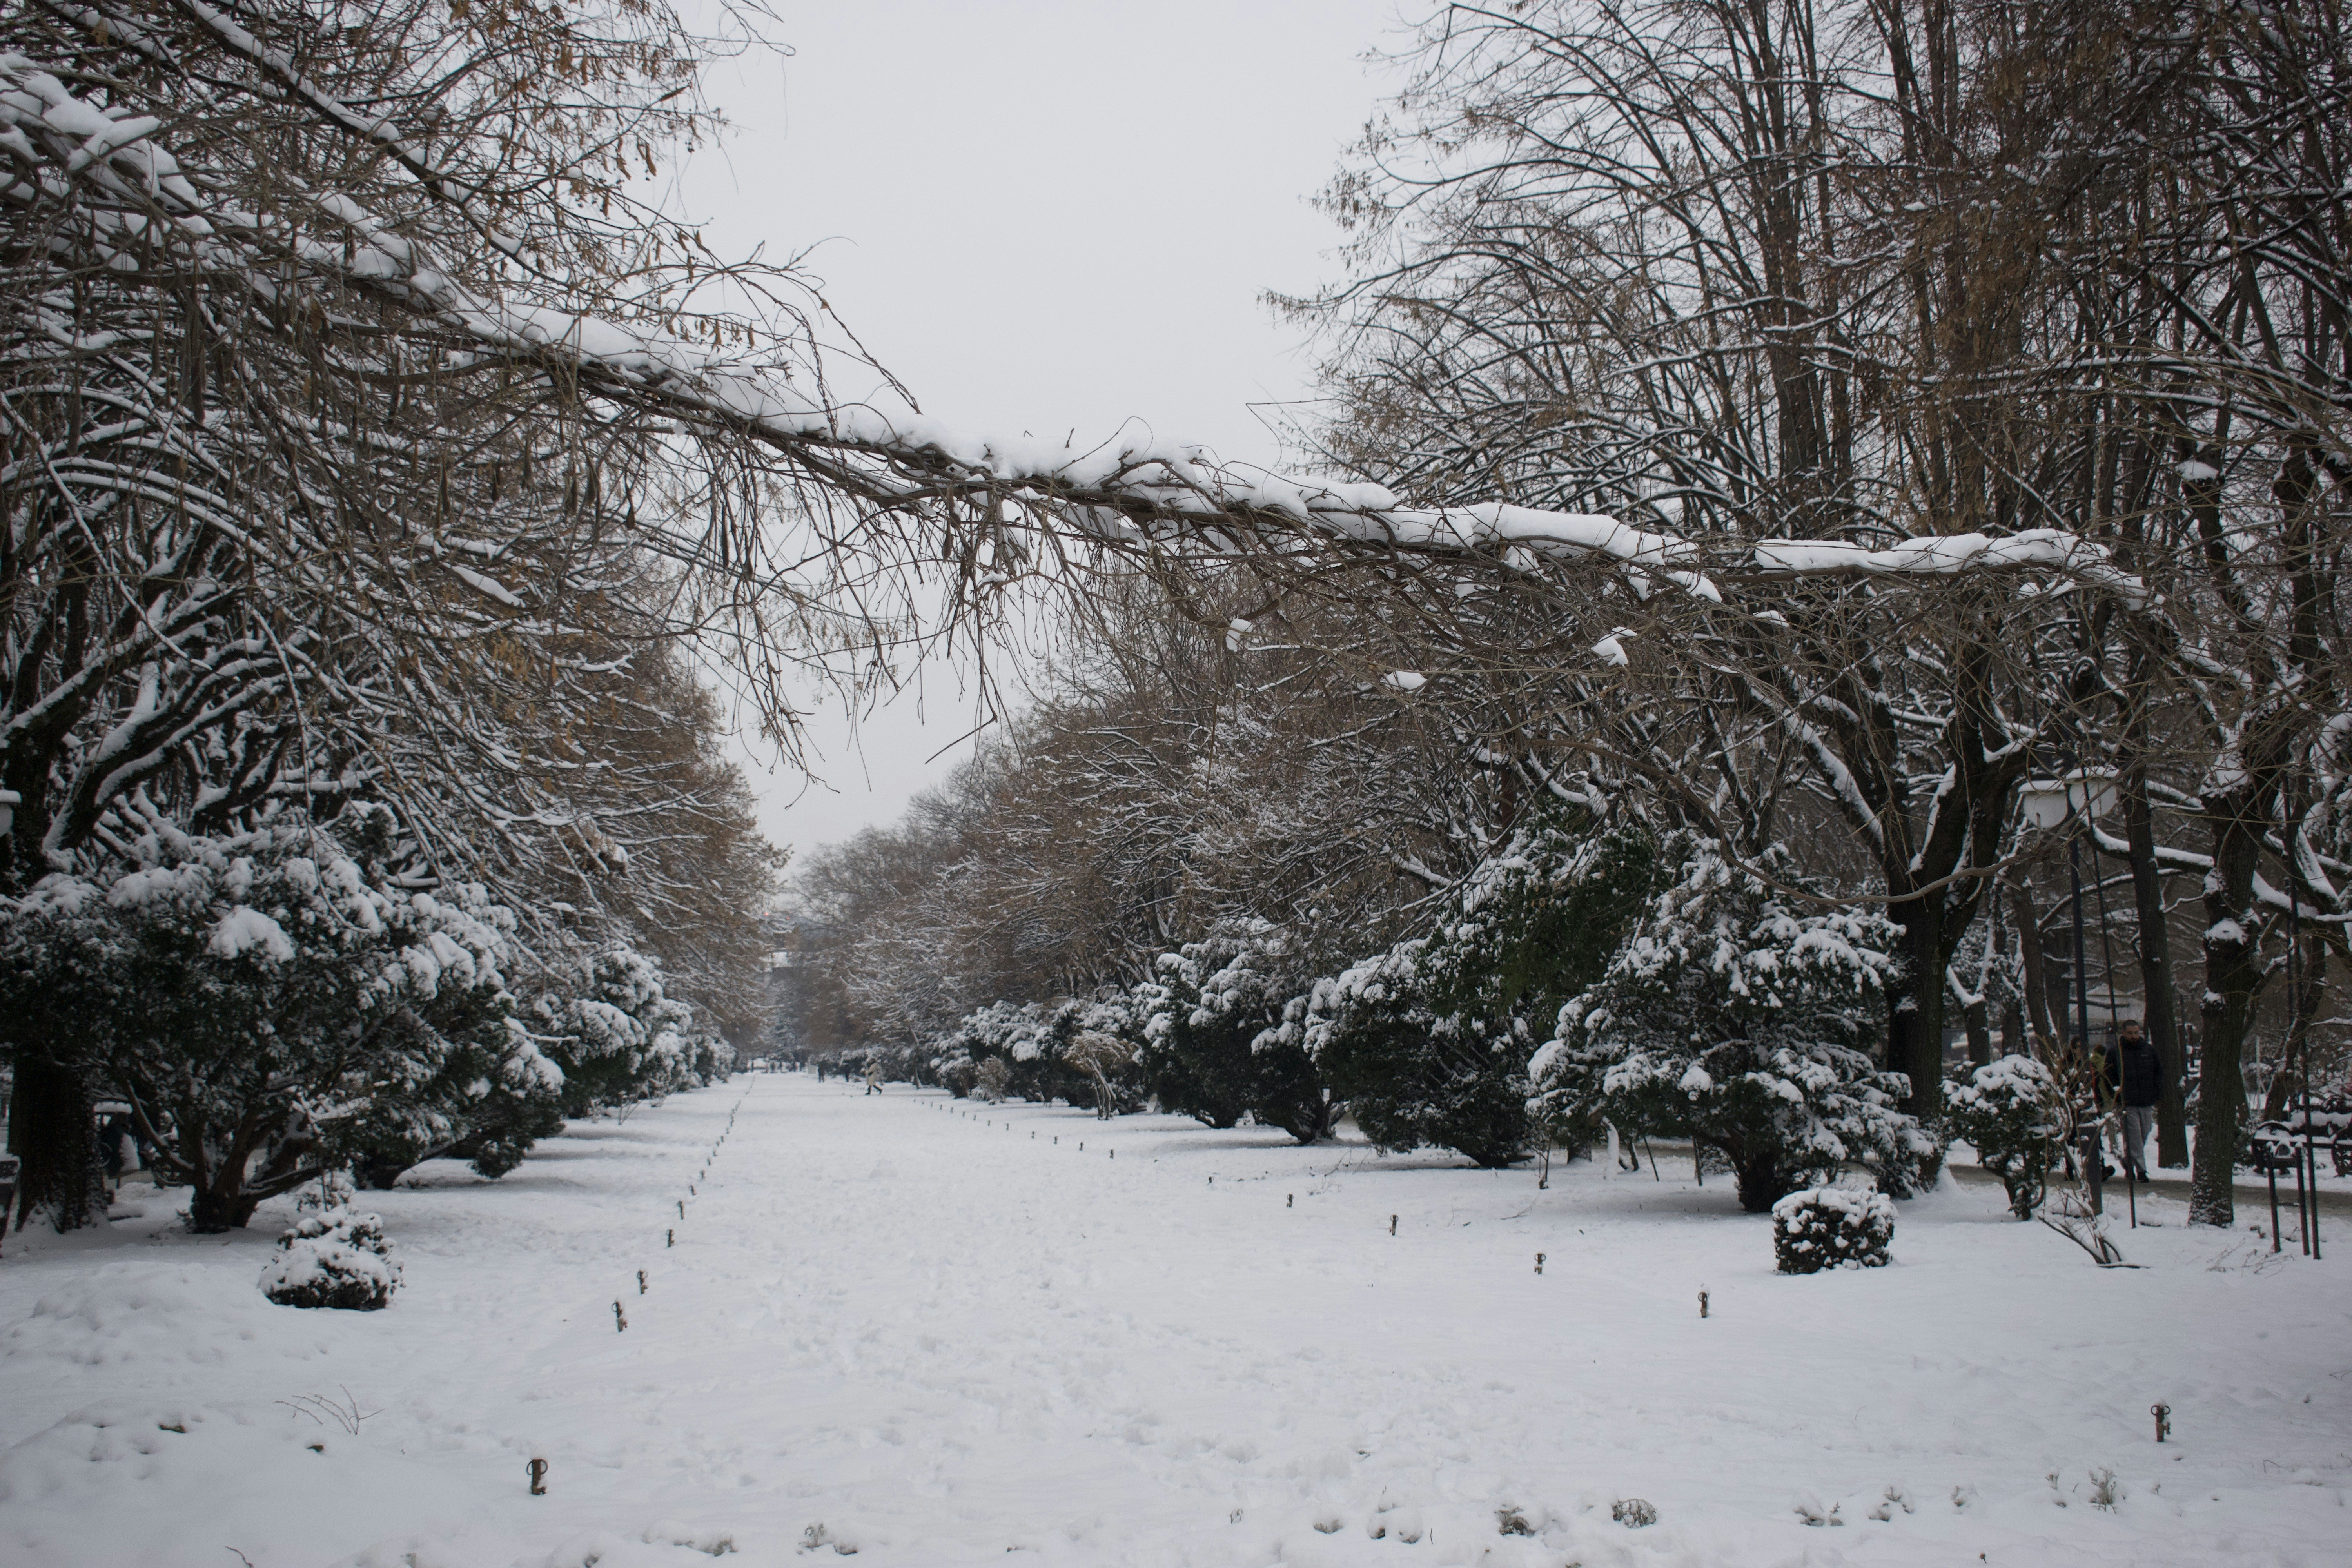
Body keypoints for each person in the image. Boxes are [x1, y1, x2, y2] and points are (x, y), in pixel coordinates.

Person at [2104, 1019, 2161, 1181]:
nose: (2134, 1036)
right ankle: (2142, 1171)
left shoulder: (2149, 1051)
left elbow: (2159, 1073)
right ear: (2123, 1033)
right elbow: (2109, 1075)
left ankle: (2128, 1162)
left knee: (2144, 1133)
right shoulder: (2116, 1053)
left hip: (2146, 1101)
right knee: (2135, 1136)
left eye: (2136, 1033)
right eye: (2130, 1033)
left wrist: (2156, 1093)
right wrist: (2116, 1092)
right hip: (2127, 1103)